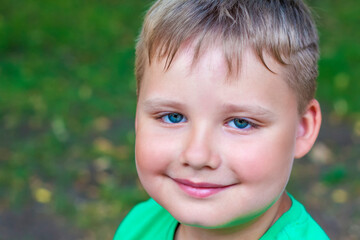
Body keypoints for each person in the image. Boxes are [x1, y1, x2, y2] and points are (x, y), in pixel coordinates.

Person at [114, 0, 330, 239]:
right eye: (173, 117)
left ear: (302, 129)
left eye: (241, 122)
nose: (197, 156)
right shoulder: (139, 225)